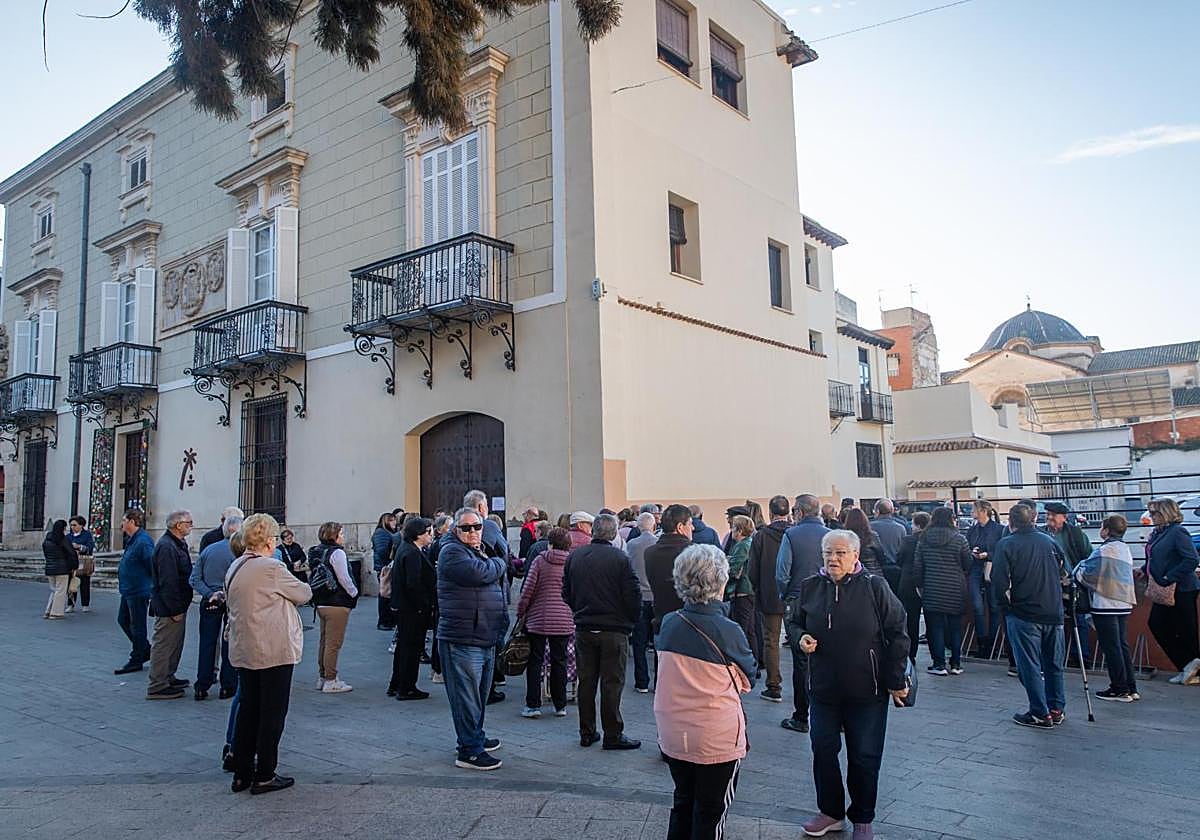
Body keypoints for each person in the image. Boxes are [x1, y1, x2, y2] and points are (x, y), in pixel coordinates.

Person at [791, 530, 909, 840]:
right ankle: (831, 812)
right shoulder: (810, 586)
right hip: (824, 688)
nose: (833, 558)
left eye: (841, 553)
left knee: (864, 755)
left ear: (855, 556)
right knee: (822, 748)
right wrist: (799, 638)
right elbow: (794, 622)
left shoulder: (874, 586)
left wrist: (896, 680)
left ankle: (863, 818)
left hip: (866, 690)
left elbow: (898, 631)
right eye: (828, 552)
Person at [655, 544, 755, 839]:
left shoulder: (670, 622)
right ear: (721, 581)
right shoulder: (727, 629)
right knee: (711, 812)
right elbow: (749, 673)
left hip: (673, 731)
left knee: (683, 801)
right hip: (715, 735)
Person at [225, 512, 313, 795]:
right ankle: (265, 773)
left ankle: (241, 772)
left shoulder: (236, 565)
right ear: (269, 540)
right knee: (272, 712)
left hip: (245, 646)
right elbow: (303, 593)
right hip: (272, 648)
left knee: (248, 710)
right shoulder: (271, 568)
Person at [562, 513, 641, 750]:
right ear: (613, 533)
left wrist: (580, 610)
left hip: (585, 627)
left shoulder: (575, 557)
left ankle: (587, 731)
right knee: (612, 682)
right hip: (613, 629)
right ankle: (612, 733)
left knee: (587, 682)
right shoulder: (619, 558)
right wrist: (630, 619)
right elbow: (632, 594)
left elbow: (566, 591)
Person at [438, 507, 508, 770]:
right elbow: (481, 573)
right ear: (456, 529)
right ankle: (469, 750)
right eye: (466, 528)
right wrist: (499, 564)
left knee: (478, 695)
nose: (472, 532)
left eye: (476, 527)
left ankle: (475, 737)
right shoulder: (451, 552)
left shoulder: (477, 550)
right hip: (463, 636)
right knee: (466, 696)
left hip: (484, 634)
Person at [991, 504, 1066, 728]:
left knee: (1029, 665)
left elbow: (999, 582)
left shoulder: (1006, 545)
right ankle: (1056, 707)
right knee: (1054, 664)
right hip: (1053, 611)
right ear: (1033, 519)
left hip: (1024, 613)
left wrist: (1006, 606)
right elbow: (1064, 572)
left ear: (1011, 522)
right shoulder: (1049, 542)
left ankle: (1039, 712)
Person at [775, 493, 829, 733]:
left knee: (801, 661)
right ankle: (832, 713)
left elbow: (782, 572)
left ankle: (801, 715)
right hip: (827, 598)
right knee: (829, 656)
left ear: (800, 511)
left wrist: (785, 595)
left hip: (797, 599)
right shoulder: (830, 535)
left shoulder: (792, 535)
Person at [1075, 514, 1138, 701]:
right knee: (1121, 645)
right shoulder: (1125, 549)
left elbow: (1086, 574)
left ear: (1107, 530)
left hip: (1106, 603)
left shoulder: (1103, 551)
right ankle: (1131, 686)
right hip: (1124, 602)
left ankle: (1119, 688)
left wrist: (1078, 568)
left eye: (1102, 527)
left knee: (1111, 647)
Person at [516, 526, 575, 717]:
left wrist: (521, 611)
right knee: (560, 661)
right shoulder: (572, 563)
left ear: (550, 542)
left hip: (538, 618)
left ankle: (533, 705)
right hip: (564, 618)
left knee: (535, 661)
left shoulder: (540, 561)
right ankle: (560, 705)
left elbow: (528, 589)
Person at [1140, 497, 1200, 683]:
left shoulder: (1177, 532)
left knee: (1185, 629)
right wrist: (1144, 570)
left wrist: (1168, 577)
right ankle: (1187, 665)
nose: (1152, 516)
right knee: (1158, 624)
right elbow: (1155, 557)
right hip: (1164, 589)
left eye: (1155, 513)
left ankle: (1192, 668)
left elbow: (1191, 559)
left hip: (1181, 589)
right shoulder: (1158, 533)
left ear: (1166, 513)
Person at [189, 514, 243, 700]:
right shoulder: (239, 553)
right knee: (230, 641)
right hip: (232, 601)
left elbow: (194, 579)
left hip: (210, 599)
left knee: (207, 642)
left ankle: (202, 684)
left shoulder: (209, 550)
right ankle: (228, 685)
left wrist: (209, 593)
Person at [913, 506, 972, 676]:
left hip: (931, 587)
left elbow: (918, 566)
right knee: (955, 627)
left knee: (935, 627)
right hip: (955, 587)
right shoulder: (960, 539)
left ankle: (939, 664)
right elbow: (967, 563)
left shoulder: (924, 538)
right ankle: (956, 663)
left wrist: (919, 585)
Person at [147, 510, 195, 700]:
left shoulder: (177, 544)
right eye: (189, 523)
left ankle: (168, 675)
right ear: (178, 525)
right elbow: (168, 581)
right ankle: (158, 684)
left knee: (175, 644)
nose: (191, 525)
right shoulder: (167, 547)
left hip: (178, 603)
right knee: (164, 644)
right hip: (169, 607)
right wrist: (175, 609)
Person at [389, 516, 436, 700]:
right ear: (419, 534)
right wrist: (424, 606)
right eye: (429, 532)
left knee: (404, 647)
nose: (431, 535)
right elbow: (413, 584)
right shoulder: (412, 553)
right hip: (412, 610)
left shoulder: (407, 549)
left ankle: (397, 683)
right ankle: (406, 686)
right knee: (411, 648)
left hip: (405, 608)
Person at [1043, 500, 1094, 663]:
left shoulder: (1075, 533)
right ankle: (1055, 655)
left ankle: (1080, 656)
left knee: (1078, 618)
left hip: (1072, 581)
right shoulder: (1042, 533)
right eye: (1048, 514)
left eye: (1053, 515)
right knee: (1053, 620)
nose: (1050, 517)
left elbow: (1088, 556)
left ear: (1063, 517)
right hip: (1049, 583)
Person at [310, 522, 359, 693]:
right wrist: (354, 593)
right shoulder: (337, 553)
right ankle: (331, 679)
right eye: (341, 533)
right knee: (333, 643)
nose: (344, 536)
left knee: (324, 641)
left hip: (321, 601)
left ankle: (323, 676)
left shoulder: (316, 550)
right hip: (337, 603)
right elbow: (344, 578)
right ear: (335, 536)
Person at [115, 510, 156, 673]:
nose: (122, 523)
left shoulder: (143, 542)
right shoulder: (133, 540)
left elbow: (152, 565)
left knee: (137, 625)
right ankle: (145, 649)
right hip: (128, 589)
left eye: (124, 520)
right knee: (123, 620)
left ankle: (137, 658)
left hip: (138, 590)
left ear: (132, 522)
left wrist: (152, 587)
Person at [625, 512, 660, 693]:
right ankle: (658, 681)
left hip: (639, 596)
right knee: (658, 641)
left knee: (639, 641)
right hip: (656, 597)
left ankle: (641, 681)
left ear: (638, 527)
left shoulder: (631, 545)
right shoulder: (658, 544)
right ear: (653, 526)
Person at [646, 504, 695, 631]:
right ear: (680, 527)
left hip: (661, 621)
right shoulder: (693, 553)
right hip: (688, 623)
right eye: (690, 524)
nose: (693, 528)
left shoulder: (650, 552)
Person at [965, 500, 1004, 656]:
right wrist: (972, 552)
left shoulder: (999, 529)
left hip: (992, 568)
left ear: (982, 511)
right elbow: (967, 547)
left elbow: (1002, 550)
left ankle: (992, 644)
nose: (971, 512)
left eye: (974, 509)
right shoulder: (972, 530)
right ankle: (982, 642)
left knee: (994, 606)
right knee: (977, 606)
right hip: (975, 567)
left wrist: (988, 555)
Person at [896, 512, 930, 663]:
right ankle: (937, 654)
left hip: (908, 582)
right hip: (929, 581)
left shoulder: (908, 540)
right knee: (931, 618)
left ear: (917, 525)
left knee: (911, 619)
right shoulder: (930, 539)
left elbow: (899, 558)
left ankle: (912, 652)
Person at [724, 514, 757, 659]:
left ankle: (744, 661)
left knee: (742, 630)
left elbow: (733, 569)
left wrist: (726, 564)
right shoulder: (748, 543)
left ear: (739, 530)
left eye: (733, 527)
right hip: (746, 590)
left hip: (741, 591)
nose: (731, 530)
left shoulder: (742, 546)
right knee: (749, 630)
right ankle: (753, 661)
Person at [42, 519, 78, 619]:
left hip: (49, 568)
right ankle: (56, 613)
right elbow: (71, 553)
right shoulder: (63, 540)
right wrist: (74, 566)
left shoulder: (47, 540)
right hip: (62, 568)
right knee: (60, 591)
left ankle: (48, 610)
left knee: (54, 590)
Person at [842, 508, 890, 575]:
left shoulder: (844, 537)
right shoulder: (872, 536)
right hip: (872, 572)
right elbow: (881, 556)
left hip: (852, 574)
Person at [373, 512, 398, 631]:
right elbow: (382, 551)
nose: (394, 522)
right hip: (384, 567)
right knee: (385, 593)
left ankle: (388, 620)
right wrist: (389, 560)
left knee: (388, 593)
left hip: (386, 566)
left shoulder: (388, 533)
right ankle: (384, 621)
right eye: (391, 520)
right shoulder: (381, 533)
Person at [65, 516, 95, 613]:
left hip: (83, 562)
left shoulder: (87, 535)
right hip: (72, 563)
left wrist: (79, 547)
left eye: (75, 525)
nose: (72, 527)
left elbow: (90, 547)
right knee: (71, 584)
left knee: (84, 583)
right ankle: (71, 604)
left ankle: (85, 604)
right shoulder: (68, 537)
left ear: (81, 525)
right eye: (71, 525)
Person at [869, 500, 906, 565]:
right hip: (896, 566)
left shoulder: (870, 527)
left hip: (876, 567)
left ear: (877, 511)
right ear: (892, 510)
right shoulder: (901, 528)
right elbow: (903, 550)